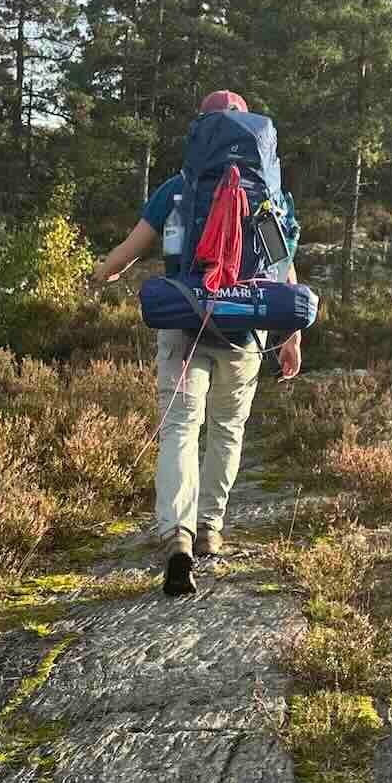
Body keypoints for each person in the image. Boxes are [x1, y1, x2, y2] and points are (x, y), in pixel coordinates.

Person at [89, 89, 301, 597]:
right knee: (227, 428)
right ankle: (210, 528)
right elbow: (283, 268)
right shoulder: (269, 193)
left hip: (185, 321)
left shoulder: (179, 188)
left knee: (180, 429)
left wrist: (102, 273)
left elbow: (127, 251)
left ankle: (177, 536)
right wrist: (291, 336)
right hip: (247, 327)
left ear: (200, 132)